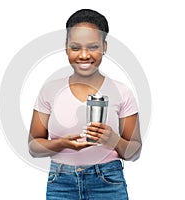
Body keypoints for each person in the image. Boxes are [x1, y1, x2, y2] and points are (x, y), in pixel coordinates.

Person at [28, 9, 142, 200]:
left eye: (93, 47)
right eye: (75, 47)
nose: (83, 55)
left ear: (104, 47)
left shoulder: (122, 92)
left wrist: (113, 139)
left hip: (108, 182)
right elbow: (33, 147)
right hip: (61, 183)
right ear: (66, 48)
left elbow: (134, 152)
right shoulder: (50, 90)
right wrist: (62, 144)